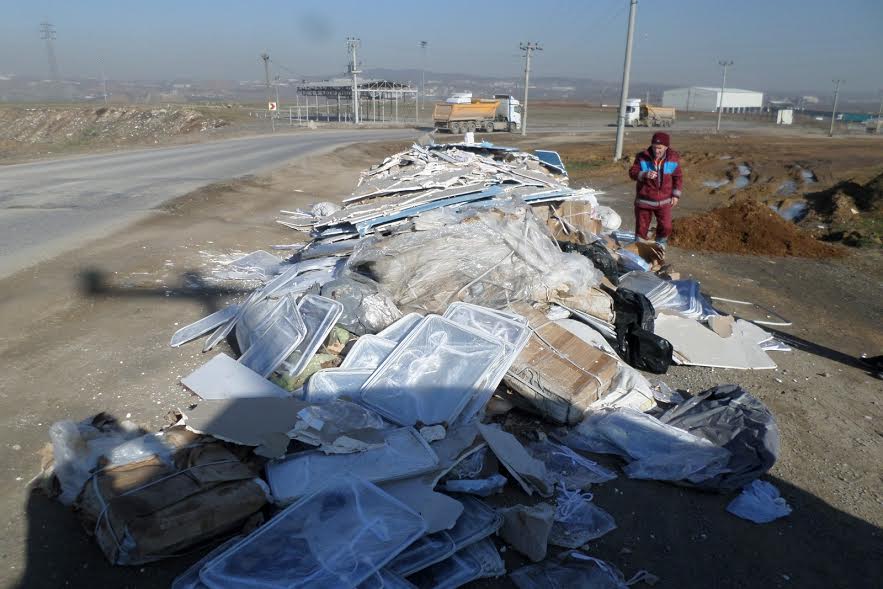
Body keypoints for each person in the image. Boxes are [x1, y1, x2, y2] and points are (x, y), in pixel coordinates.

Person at [628, 132, 683, 248]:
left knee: (666, 227)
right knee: (641, 230)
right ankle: (640, 252)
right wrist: (644, 174)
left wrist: (675, 195)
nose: (656, 150)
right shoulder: (642, 157)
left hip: (664, 202)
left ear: (666, 147)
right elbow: (632, 173)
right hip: (644, 201)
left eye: (659, 148)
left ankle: (659, 249)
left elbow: (678, 177)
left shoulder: (673, 158)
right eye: (654, 147)